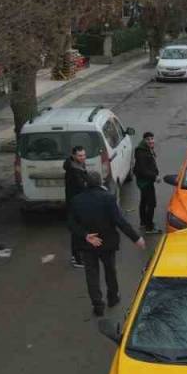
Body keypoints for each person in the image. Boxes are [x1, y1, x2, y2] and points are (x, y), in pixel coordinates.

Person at [67, 171, 145, 316]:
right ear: (100, 183)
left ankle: (97, 305)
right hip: (107, 243)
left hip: (87, 245)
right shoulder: (108, 198)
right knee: (110, 271)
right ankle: (112, 297)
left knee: (91, 275)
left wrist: (85, 236)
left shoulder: (76, 200)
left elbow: (71, 224)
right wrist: (136, 238)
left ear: (86, 184)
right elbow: (119, 221)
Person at [62, 145, 90, 268]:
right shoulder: (74, 170)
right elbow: (82, 186)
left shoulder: (77, 165)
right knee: (77, 231)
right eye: (80, 155)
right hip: (75, 205)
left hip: (78, 203)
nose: (83, 157)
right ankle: (77, 258)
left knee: (79, 230)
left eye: (84, 155)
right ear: (73, 156)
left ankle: (79, 255)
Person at [134, 132, 160, 234]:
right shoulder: (142, 153)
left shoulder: (145, 149)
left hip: (144, 181)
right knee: (151, 204)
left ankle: (143, 222)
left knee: (144, 201)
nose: (151, 141)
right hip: (145, 182)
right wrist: (155, 177)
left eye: (152, 139)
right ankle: (149, 227)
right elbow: (143, 170)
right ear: (144, 140)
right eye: (148, 139)